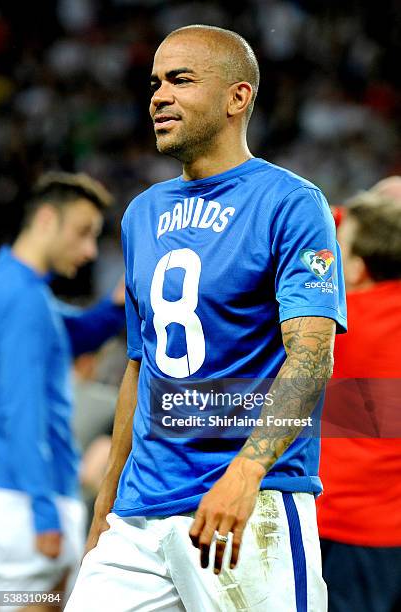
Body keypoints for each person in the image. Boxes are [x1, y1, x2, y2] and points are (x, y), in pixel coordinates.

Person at [66, 25, 347, 612]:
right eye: (154, 83)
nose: (158, 96)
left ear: (237, 97)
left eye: (180, 80)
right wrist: (106, 503)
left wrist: (248, 473)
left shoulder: (291, 203)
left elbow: (312, 354)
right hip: (140, 517)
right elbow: (139, 368)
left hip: (250, 504)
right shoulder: (141, 213)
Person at [0, 172, 126, 612]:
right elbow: (22, 411)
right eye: (83, 232)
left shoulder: (12, 287)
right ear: (47, 219)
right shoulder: (25, 301)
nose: (90, 250)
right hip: (25, 503)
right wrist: (45, 513)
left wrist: (115, 309)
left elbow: (70, 332)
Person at [317, 178, 401, 612]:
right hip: (388, 537)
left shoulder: (339, 325)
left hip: (334, 530)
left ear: (358, 266)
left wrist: (344, 210)